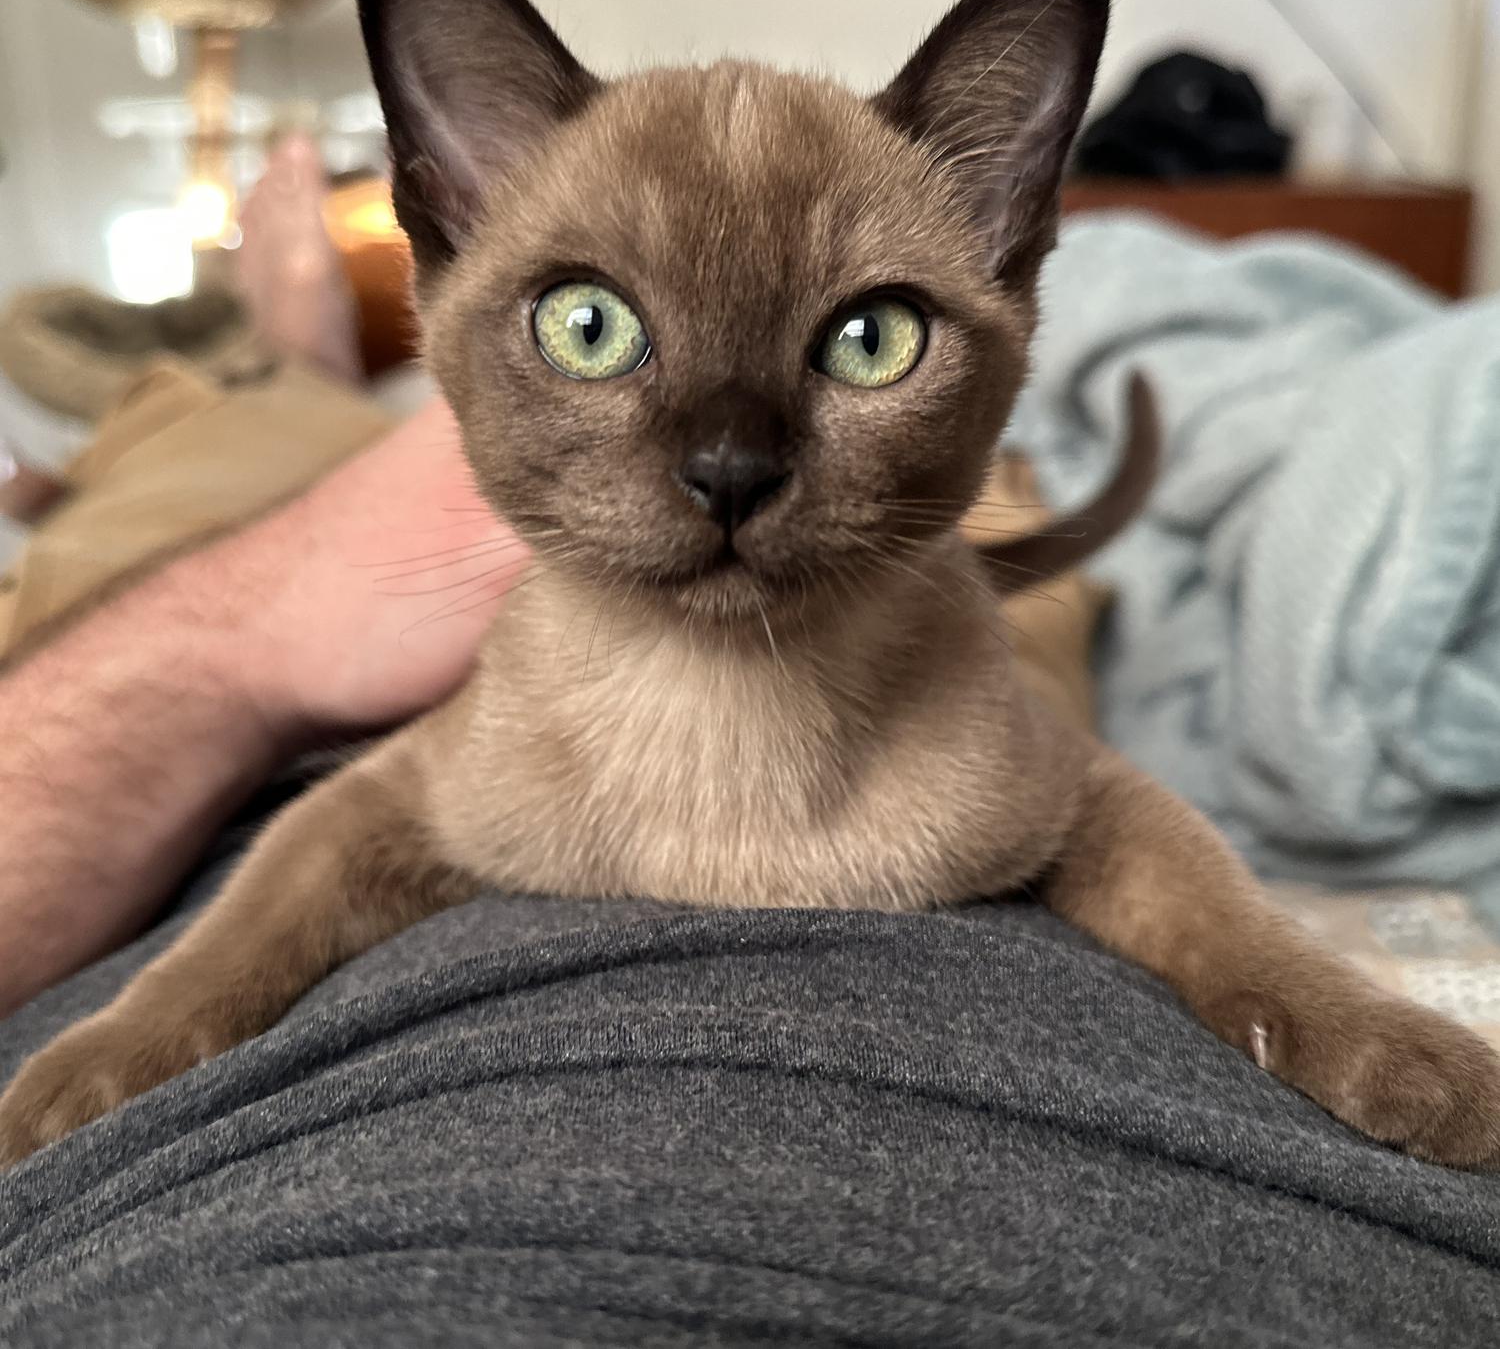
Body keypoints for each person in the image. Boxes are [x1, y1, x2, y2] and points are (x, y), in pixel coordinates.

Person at [0, 150, 1496, 1347]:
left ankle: (292, 362)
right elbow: (372, 811)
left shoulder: (971, 745)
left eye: (867, 333)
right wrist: (162, 1020)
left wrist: (1289, 989)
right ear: (452, 214)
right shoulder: (506, 719)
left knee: (1002, 584)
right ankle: (271, 370)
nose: (728, 458)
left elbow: (1092, 808)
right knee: (199, 477)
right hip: (398, 535)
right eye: (593, 325)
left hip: (888, 603)